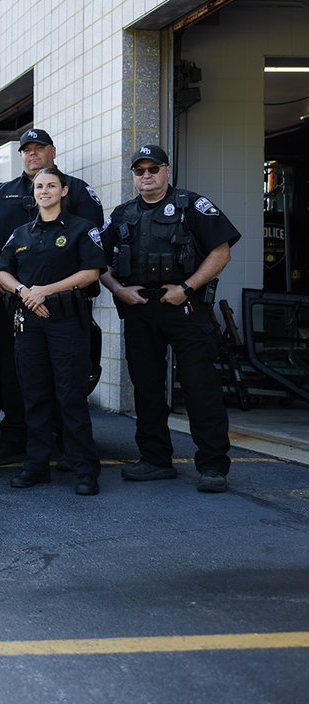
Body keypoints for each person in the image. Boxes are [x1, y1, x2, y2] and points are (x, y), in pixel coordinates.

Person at [100, 145, 241, 493]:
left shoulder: (192, 206)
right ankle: (155, 460)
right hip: (139, 307)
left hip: (184, 306)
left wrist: (187, 287)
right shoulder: (120, 215)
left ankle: (212, 466)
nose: (146, 176)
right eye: (139, 171)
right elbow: (96, 260)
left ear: (166, 170)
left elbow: (221, 252)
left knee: (200, 386)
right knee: (146, 386)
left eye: (153, 169)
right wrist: (118, 290)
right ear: (133, 176)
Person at [0, 128, 104, 464]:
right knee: (16, 373)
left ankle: (69, 447)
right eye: (27, 150)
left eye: (39, 149)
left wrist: (47, 291)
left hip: (65, 306)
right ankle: (18, 439)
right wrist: (1, 281)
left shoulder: (78, 191)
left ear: (53, 151)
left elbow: (92, 250)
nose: (32, 155)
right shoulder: (0, 195)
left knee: (66, 380)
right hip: (15, 304)